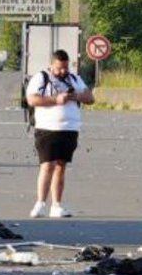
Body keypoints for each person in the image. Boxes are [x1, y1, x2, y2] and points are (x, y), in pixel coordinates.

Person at [26, 50, 94, 218]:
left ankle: (56, 205)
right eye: (59, 68)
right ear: (52, 65)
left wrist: (75, 96)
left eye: (65, 68)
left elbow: (90, 97)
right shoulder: (41, 77)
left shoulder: (74, 79)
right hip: (47, 128)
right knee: (47, 165)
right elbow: (32, 99)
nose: (63, 71)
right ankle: (40, 203)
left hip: (70, 129)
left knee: (61, 166)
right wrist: (55, 100)